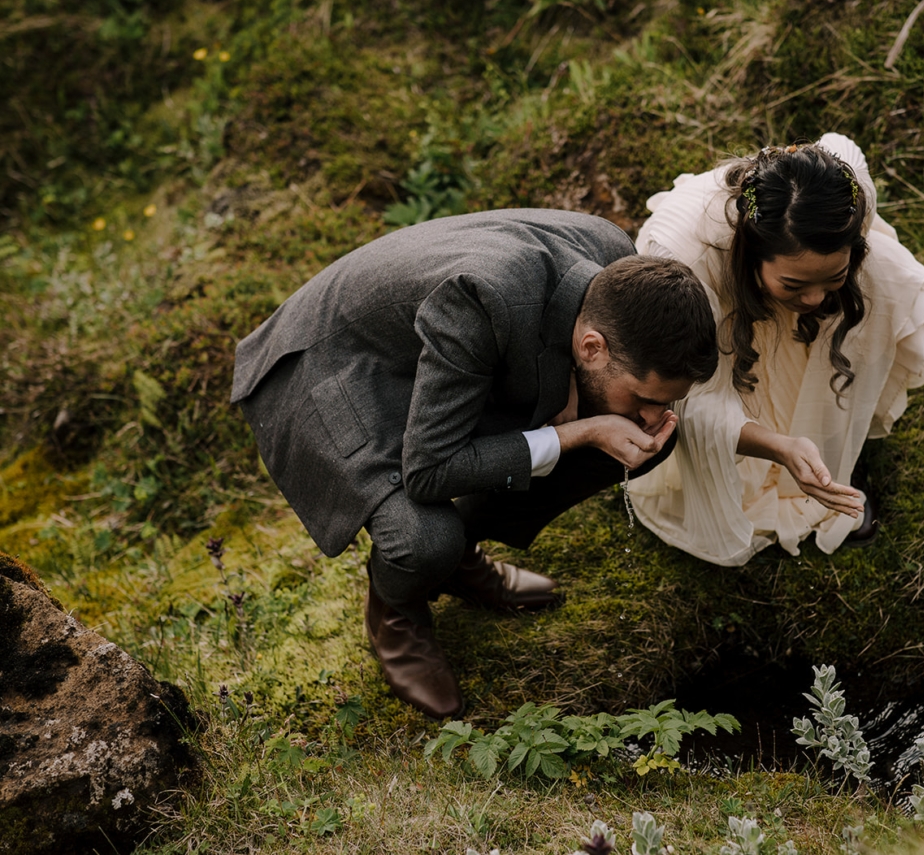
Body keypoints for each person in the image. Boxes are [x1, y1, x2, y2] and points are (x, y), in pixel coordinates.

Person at [230, 209, 718, 718]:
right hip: (336, 368)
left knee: (639, 441)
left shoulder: (614, 268)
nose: (653, 411)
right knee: (424, 538)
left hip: (445, 361)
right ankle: (397, 613)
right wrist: (580, 430)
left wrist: (581, 394)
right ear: (591, 347)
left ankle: (460, 556)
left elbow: (552, 352)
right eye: (644, 395)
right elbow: (428, 471)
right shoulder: (483, 300)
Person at [627, 134, 924, 566]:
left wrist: (820, 285)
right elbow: (692, 400)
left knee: (880, 280)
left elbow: (840, 143)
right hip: (696, 302)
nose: (815, 299)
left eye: (832, 277)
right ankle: (778, 457)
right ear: (751, 252)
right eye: (795, 285)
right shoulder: (686, 263)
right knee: (730, 379)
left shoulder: (849, 198)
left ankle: (827, 439)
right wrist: (780, 446)